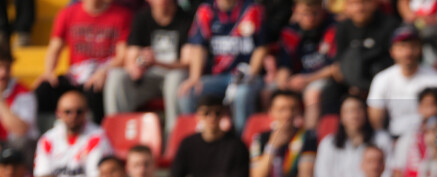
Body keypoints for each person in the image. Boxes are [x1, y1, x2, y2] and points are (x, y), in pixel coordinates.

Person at [33, 0, 133, 122]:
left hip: (102, 76)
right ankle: (45, 135)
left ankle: (101, 134)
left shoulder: (122, 15)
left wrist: (104, 71)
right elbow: (54, 48)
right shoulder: (68, 13)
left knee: (96, 90)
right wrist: (48, 72)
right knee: (44, 89)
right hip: (75, 77)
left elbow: (122, 56)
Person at [103, 0, 191, 137]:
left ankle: (173, 139)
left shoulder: (187, 19)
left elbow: (187, 62)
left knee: (176, 77)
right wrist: (139, 63)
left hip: (174, 75)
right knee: (116, 76)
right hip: (147, 77)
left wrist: (157, 62)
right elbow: (131, 57)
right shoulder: (141, 17)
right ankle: (116, 135)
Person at [180, 0, 269, 132]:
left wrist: (251, 74)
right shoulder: (206, 10)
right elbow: (199, 47)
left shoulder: (252, 9)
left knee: (241, 94)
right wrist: (194, 78)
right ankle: (199, 139)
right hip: (218, 78)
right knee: (188, 93)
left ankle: (242, 142)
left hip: (247, 77)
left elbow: (261, 48)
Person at [33, 90, 115, 177]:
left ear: (86, 112)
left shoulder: (97, 137)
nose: (73, 116)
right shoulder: (48, 139)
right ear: (58, 113)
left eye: (79, 111)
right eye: (68, 112)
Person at [167, 95, 253, 177]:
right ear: (198, 116)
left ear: (223, 115)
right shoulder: (188, 143)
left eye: (217, 113)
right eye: (206, 113)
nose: (212, 117)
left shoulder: (237, 145)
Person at [314, 95, 394, 177]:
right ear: (341, 117)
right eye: (349, 111)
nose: (354, 115)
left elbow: (388, 172)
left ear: (366, 113)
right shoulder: (328, 144)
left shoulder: (382, 139)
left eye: (358, 109)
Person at [366, 25, 437, 138]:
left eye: (413, 46)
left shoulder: (435, 78)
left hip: (427, 136)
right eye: (402, 47)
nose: (408, 52)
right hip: (395, 137)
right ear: (392, 51)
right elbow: (376, 120)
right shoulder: (382, 79)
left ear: (420, 49)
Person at [275, 0, 339, 130]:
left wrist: (307, 79)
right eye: (305, 14)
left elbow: (336, 68)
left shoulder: (333, 27)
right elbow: (285, 64)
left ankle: (310, 140)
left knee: (312, 94)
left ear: (322, 9)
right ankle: (274, 135)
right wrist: (283, 79)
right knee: (270, 92)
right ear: (296, 11)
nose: (310, 19)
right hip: (298, 78)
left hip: (323, 78)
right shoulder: (290, 31)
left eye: (314, 13)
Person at [249, 90, 317, 177]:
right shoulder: (259, 139)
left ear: (299, 111)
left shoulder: (308, 137)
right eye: (282, 109)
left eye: (292, 109)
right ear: (271, 111)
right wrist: (272, 147)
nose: (288, 114)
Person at [326, 0, 401, 107]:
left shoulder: (390, 25)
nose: (359, 8)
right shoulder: (342, 28)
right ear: (346, 8)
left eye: (364, 2)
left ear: (374, 4)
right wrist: (352, 83)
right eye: (353, 4)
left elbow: (394, 61)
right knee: (329, 90)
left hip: (381, 79)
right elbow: (338, 63)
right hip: (351, 81)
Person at [0, 45, 37, 157]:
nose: (3, 73)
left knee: (21, 142)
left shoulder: (23, 92)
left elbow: (21, 129)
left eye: (7, 67)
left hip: (18, 150)